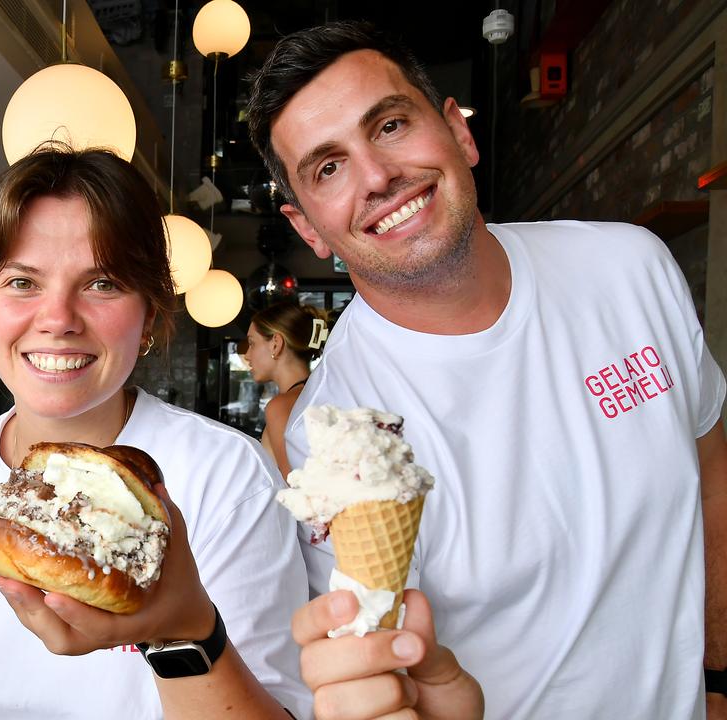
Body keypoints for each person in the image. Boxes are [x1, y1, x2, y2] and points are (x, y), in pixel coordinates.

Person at [245, 20, 727, 720]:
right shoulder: (343, 431)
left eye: (388, 125)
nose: (377, 177)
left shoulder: (632, 267)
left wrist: (714, 667)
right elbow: (386, 670)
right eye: (328, 167)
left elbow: (710, 465)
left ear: (458, 134)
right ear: (310, 229)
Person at [0, 146, 311, 718]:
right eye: (22, 282)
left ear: (150, 313)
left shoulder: (225, 474)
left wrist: (183, 630)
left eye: (101, 283)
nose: (58, 318)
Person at [242, 301, 330, 476]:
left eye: (252, 343)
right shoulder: (321, 394)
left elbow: (293, 485)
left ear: (276, 343)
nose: (247, 355)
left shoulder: (281, 406)